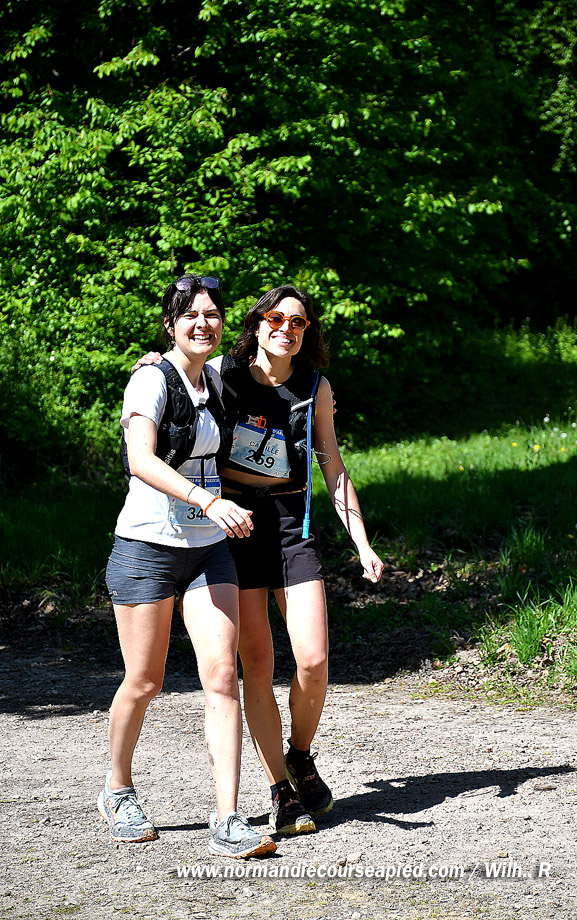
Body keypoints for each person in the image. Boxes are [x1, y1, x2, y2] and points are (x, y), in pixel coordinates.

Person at [133, 284, 384, 837]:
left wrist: (362, 543)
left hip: (291, 524)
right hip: (235, 523)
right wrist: (152, 363)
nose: (285, 329)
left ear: (307, 333)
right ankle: (280, 790)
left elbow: (333, 467)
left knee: (313, 660)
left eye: (298, 322)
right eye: (275, 318)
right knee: (258, 664)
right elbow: (177, 370)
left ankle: (300, 754)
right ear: (258, 322)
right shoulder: (224, 372)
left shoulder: (315, 387)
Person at [101, 274, 276, 859]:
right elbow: (140, 459)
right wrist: (207, 500)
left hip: (209, 551)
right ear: (170, 324)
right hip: (146, 547)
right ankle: (117, 788)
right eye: (190, 315)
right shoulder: (151, 379)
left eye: (212, 314)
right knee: (145, 680)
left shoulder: (219, 378)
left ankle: (228, 816)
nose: (203, 323)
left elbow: (276, 359)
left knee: (222, 675)